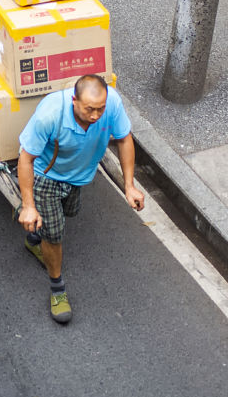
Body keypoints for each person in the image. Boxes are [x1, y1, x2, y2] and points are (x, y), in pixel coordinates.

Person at [15, 74, 144, 323]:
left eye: (100, 109)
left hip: (79, 177)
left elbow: (124, 139)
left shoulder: (112, 103)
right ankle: (57, 290)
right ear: (74, 100)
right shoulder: (50, 115)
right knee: (54, 235)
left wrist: (129, 186)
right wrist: (29, 206)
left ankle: (33, 238)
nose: (96, 116)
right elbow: (26, 159)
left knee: (69, 213)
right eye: (89, 109)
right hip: (46, 177)